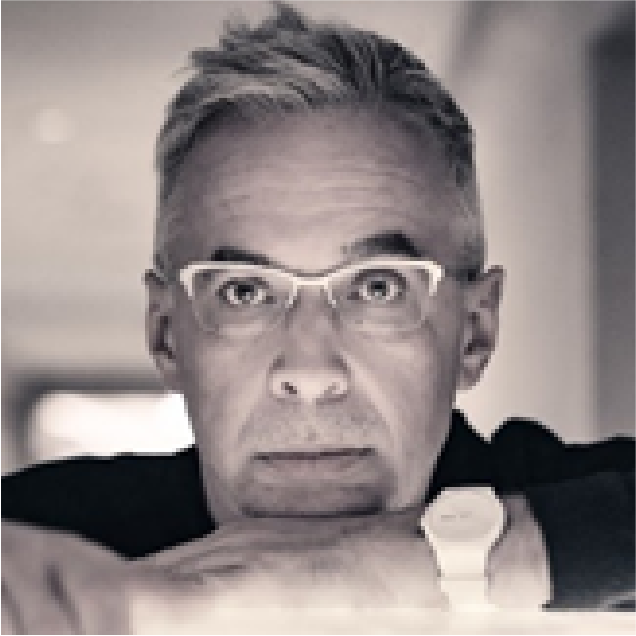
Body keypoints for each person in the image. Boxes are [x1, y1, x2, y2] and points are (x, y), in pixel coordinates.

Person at [3, 3, 636, 632]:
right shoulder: (56, 546)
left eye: (379, 288)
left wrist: (383, 572)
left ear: (475, 331)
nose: (309, 373)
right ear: (167, 336)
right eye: (244, 292)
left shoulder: (597, 519)